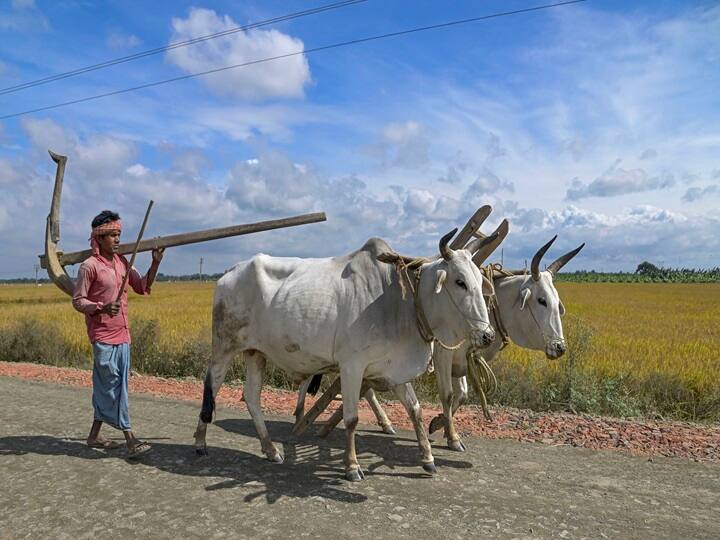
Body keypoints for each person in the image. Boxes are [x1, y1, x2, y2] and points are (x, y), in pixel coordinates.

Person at [72, 210, 164, 458]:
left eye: (119, 235)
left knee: (112, 386)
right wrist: (101, 307)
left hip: (123, 335)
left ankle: (93, 435)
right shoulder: (89, 267)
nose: (117, 240)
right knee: (112, 387)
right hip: (102, 336)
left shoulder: (123, 263)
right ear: (99, 238)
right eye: (112, 235)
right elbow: (78, 300)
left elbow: (143, 286)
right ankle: (130, 438)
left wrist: (155, 262)